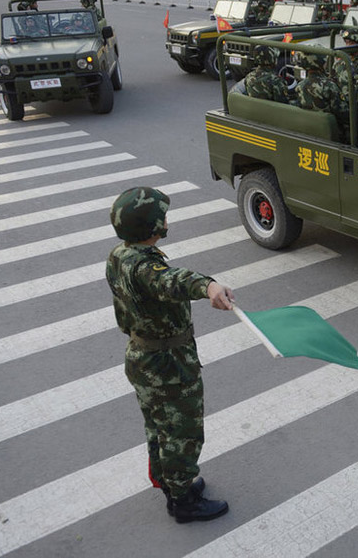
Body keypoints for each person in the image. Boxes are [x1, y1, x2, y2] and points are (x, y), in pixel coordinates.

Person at [106, 186, 234, 523]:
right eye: (161, 216)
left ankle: (173, 483)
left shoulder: (120, 254)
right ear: (151, 228)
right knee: (182, 432)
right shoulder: (144, 269)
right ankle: (183, 502)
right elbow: (171, 281)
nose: (166, 220)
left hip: (143, 358)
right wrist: (209, 287)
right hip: (167, 366)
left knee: (159, 427)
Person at [297, 51, 350, 132]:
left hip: (308, 127)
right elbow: (344, 113)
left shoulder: (300, 85)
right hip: (329, 130)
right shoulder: (329, 86)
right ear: (320, 64)